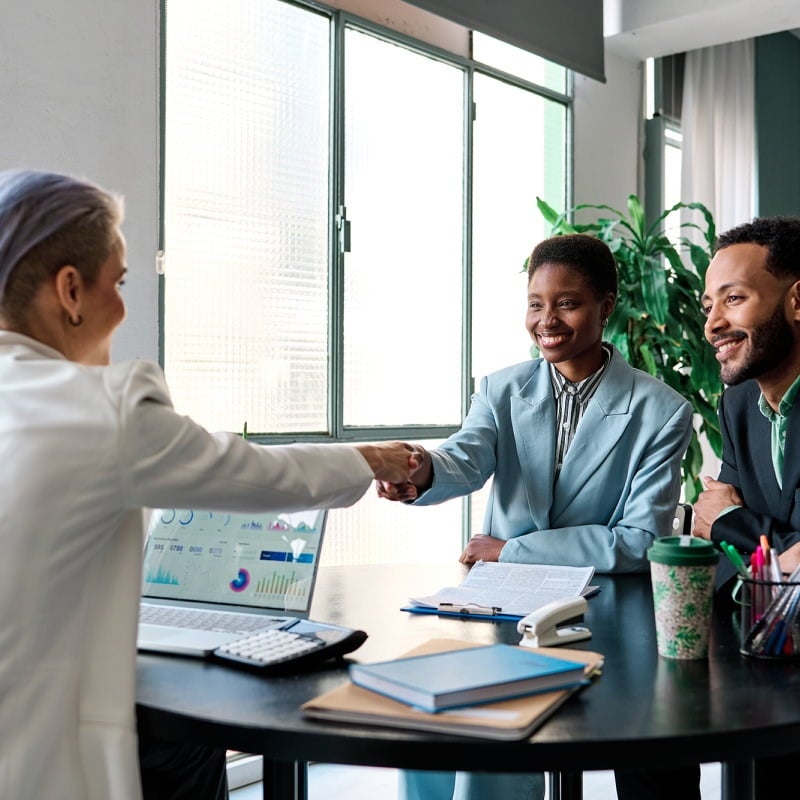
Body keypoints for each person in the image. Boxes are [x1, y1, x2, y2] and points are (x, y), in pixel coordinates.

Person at [0, 168, 419, 800]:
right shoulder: (102, 408)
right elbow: (259, 475)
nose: (122, 306)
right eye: (118, 282)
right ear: (70, 290)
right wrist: (376, 457)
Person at [377, 233, 695, 800]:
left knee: (651, 757)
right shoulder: (502, 389)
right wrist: (420, 471)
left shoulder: (661, 410)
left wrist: (510, 549)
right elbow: (465, 457)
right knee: (438, 722)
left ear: (606, 305)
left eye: (567, 303)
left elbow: (639, 540)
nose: (546, 319)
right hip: (503, 610)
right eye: (535, 303)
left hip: (607, 618)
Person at [690, 215, 800, 797]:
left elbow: (719, 525)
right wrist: (777, 552)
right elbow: (737, 564)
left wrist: (731, 521)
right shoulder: (736, 405)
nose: (713, 323)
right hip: (760, 669)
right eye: (710, 304)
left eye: (734, 299)